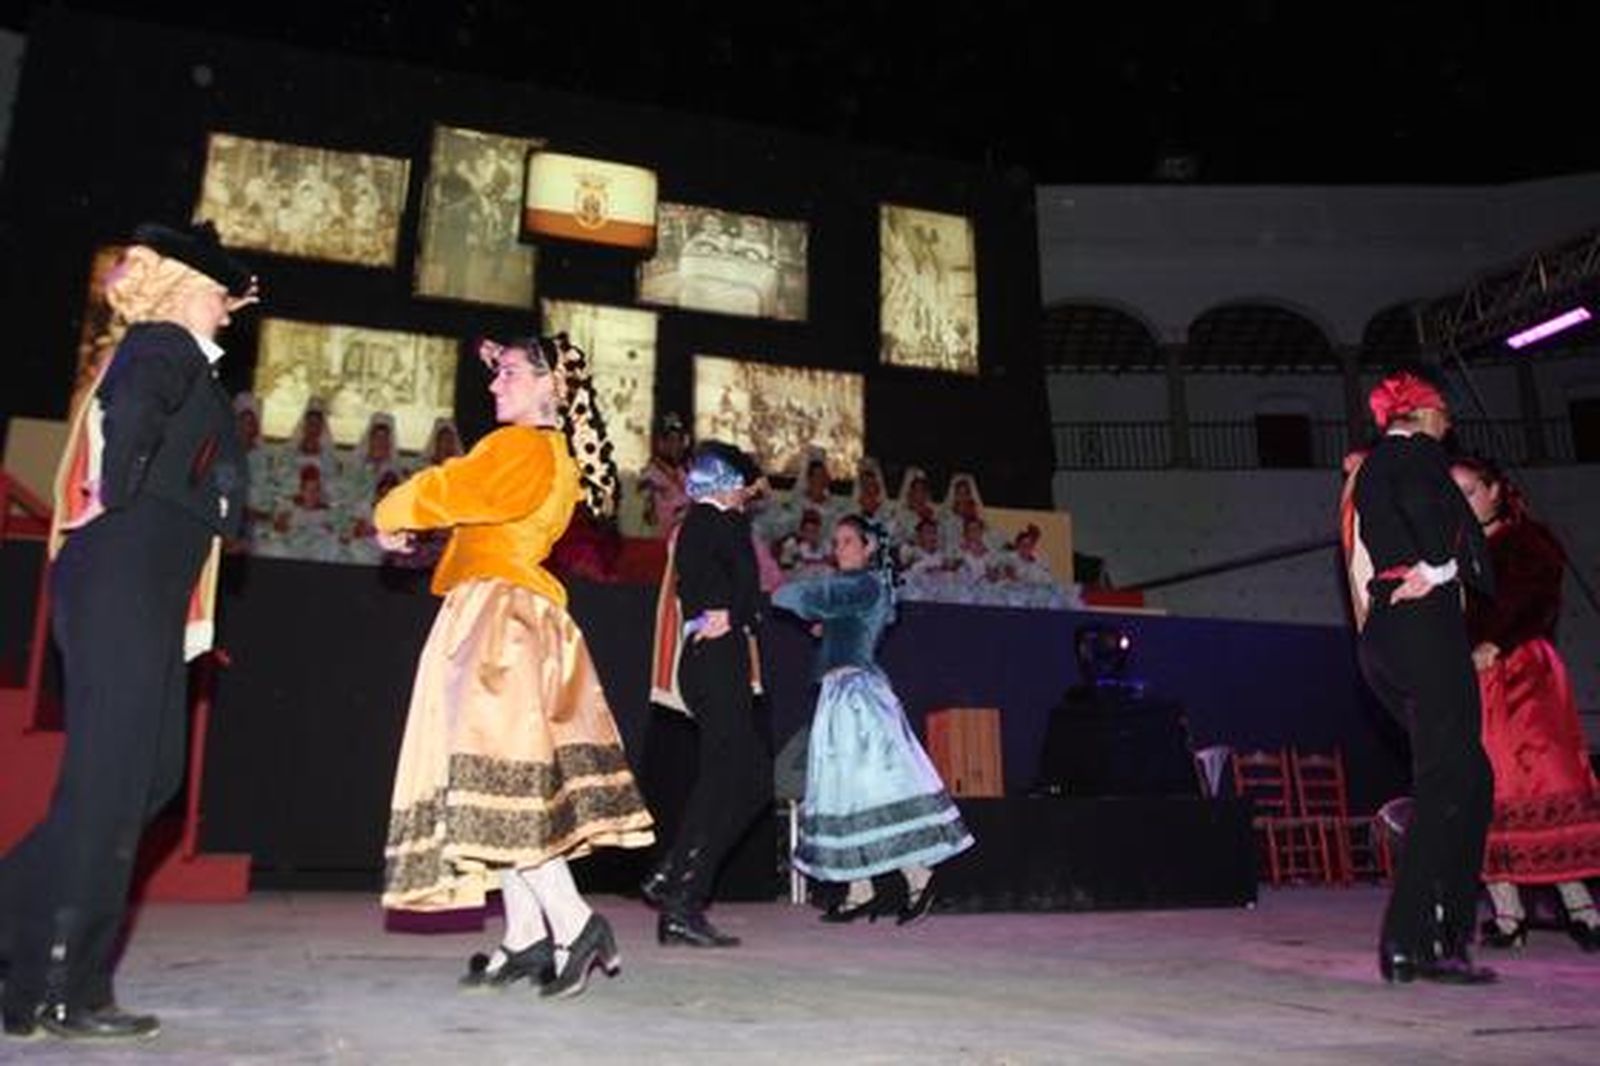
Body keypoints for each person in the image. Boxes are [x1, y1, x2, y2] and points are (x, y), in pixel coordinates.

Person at [0, 221, 257, 1040]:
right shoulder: (164, 344)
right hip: (125, 578)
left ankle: (21, 943)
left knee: (144, 780)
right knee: (112, 786)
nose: (228, 314)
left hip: (138, 585)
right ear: (186, 290)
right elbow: (135, 406)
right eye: (221, 298)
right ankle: (63, 988)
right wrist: (124, 488)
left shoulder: (177, 348)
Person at [374, 336, 654, 1000]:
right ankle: (526, 935)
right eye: (495, 374)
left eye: (507, 375)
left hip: (498, 620)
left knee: (499, 783)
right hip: (512, 611)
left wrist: (394, 510)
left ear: (547, 388)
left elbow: (458, 486)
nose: (494, 385)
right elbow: (487, 512)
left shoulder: (521, 446)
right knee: (499, 783)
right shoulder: (546, 454)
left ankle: (576, 923)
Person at [1341, 368, 1496, 985]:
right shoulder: (1414, 457)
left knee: (1471, 778)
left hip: (1386, 634)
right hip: (1422, 630)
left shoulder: (1374, 465)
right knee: (1446, 782)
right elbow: (1421, 507)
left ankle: (1448, 929)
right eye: (1445, 415)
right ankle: (1415, 940)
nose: (1449, 426)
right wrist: (1437, 567)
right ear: (1426, 412)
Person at [772, 515, 973, 923]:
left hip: (856, 698)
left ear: (867, 548)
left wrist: (793, 595)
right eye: (838, 541)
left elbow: (796, 596)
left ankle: (918, 874)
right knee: (846, 789)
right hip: (840, 694)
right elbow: (835, 615)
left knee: (872, 786)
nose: (839, 547)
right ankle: (859, 886)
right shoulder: (859, 590)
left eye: (848, 541)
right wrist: (828, 628)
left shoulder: (864, 584)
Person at [1448, 456, 1600, 952]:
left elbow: (1537, 599)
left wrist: (1499, 639)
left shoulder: (1525, 540)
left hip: (1521, 673)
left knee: (1544, 779)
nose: (1461, 502)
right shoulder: (1454, 549)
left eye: (1469, 491)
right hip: (1473, 679)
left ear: (1494, 491)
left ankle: (1582, 910)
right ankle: (1508, 917)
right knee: (1487, 788)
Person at [640, 441, 771, 947]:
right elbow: (717, 591)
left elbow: (742, 595)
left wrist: (736, 613)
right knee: (747, 777)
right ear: (723, 480)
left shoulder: (722, 523)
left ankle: (674, 881)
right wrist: (727, 615)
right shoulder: (707, 523)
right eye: (741, 482)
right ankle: (681, 891)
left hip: (721, 661)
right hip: (714, 661)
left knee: (729, 779)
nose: (748, 492)